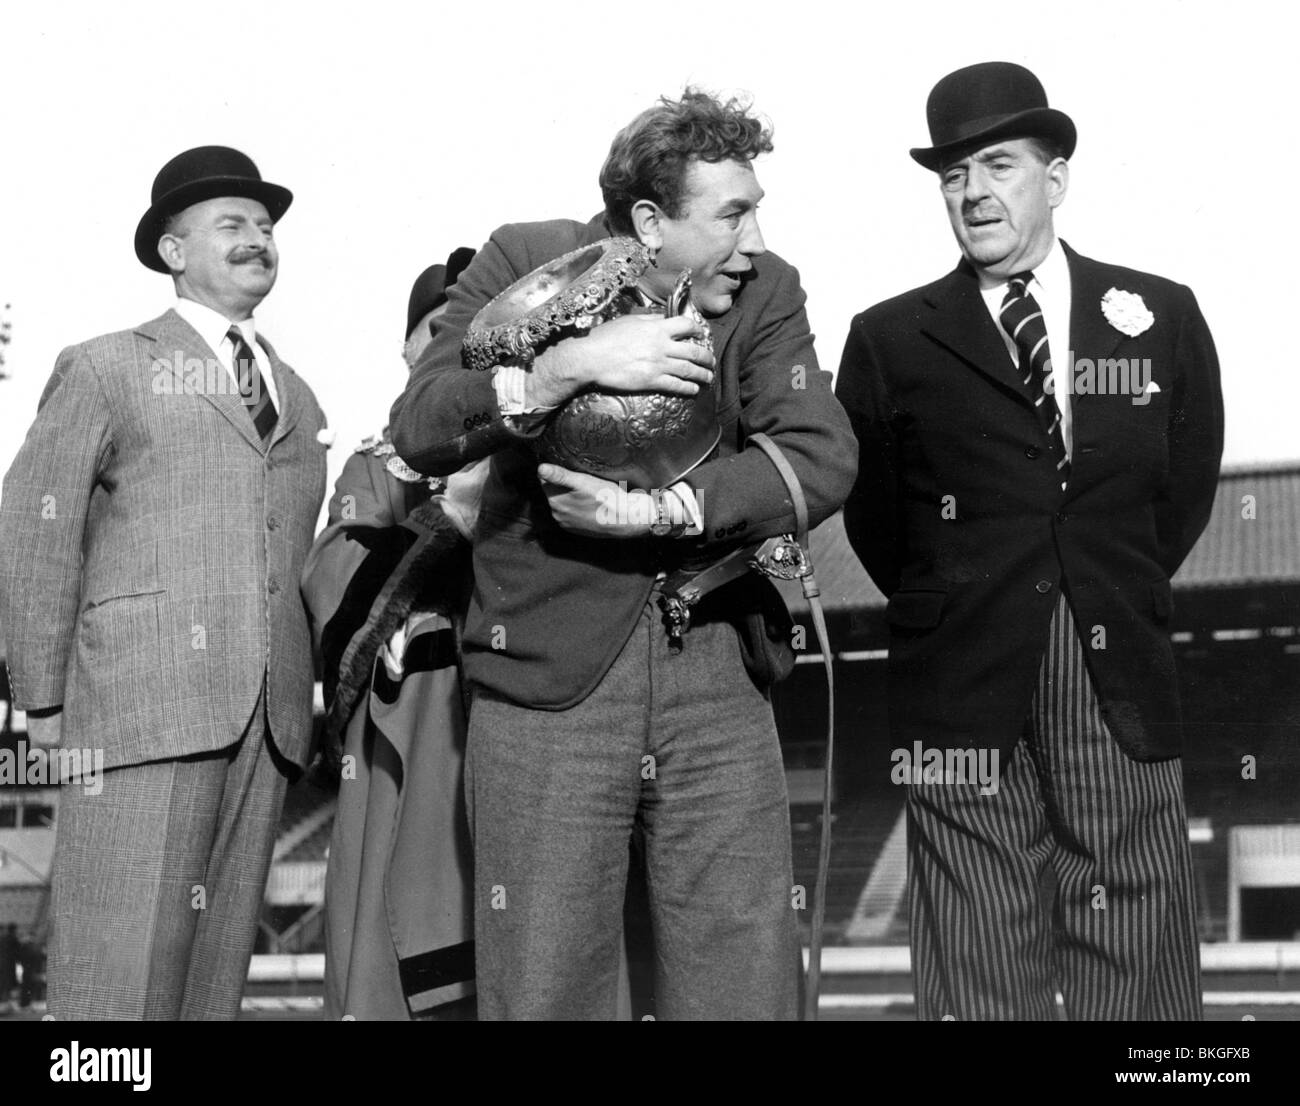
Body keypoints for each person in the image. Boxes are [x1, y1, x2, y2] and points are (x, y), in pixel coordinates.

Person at [390, 89, 856, 1020]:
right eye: (732, 214)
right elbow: (423, 421)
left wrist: (662, 511)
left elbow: (819, 452)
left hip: (720, 678)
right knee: (545, 983)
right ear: (648, 220)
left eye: (756, 208)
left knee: (742, 986)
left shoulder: (767, 290)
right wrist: (573, 364)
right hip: (546, 680)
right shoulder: (523, 255)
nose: (755, 239)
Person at [835, 62, 1223, 1020]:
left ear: (1055, 177)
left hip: (1113, 664)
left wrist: (1091, 586)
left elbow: (1179, 497)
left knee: (1136, 933)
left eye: (997, 165)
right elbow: (879, 525)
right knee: (975, 953)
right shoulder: (889, 340)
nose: (972, 193)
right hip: (957, 677)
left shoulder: (1159, 316)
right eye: (952, 175)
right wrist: (975, 593)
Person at [0, 145, 328, 1020]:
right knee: (116, 995)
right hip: (138, 715)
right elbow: (36, 525)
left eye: (265, 226)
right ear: (173, 251)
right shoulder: (107, 364)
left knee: (209, 995)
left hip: (269, 723)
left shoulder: (298, 395)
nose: (258, 238)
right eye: (232, 223)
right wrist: (41, 701)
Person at [303, 249, 481, 1020]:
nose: (452, 342)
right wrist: (448, 523)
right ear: (411, 349)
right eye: (437, 329)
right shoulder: (377, 467)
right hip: (410, 725)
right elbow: (335, 580)